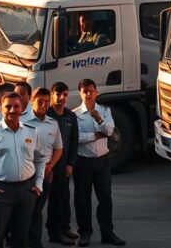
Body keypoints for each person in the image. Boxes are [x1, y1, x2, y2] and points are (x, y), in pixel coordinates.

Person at [0, 91, 46, 248]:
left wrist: (39, 183)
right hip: (1, 191)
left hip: (27, 190)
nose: (12, 110)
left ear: (22, 108)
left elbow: (41, 159)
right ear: (1, 108)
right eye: (8, 106)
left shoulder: (31, 131)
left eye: (16, 106)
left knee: (21, 236)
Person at [73, 79, 125, 247]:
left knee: (105, 199)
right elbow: (77, 138)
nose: (88, 94)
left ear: (96, 92)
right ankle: (85, 233)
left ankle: (107, 233)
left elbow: (110, 131)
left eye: (91, 91)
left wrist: (98, 119)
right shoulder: (75, 114)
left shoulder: (105, 110)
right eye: (84, 91)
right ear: (80, 93)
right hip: (83, 162)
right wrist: (95, 136)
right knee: (82, 199)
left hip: (102, 161)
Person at [22, 88, 65, 248]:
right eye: (40, 101)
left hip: (45, 175)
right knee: (25, 211)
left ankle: (35, 243)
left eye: (47, 101)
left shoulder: (53, 124)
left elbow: (59, 148)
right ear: (32, 100)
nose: (44, 104)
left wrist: (51, 165)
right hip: (24, 174)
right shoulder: (21, 121)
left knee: (37, 210)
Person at [46, 82, 79, 246]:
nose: (61, 98)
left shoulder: (70, 116)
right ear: (52, 95)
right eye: (58, 94)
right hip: (48, 166)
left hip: (64, 165)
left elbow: (74, 142)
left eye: (65, 95)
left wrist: (71, 164)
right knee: (52, 201)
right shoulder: (46, 114)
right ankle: (54, 232)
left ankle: (65, 228)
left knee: (64, 198)